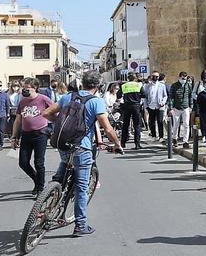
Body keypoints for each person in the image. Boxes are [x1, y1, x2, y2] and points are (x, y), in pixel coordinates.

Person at [42, 70, 123, 236]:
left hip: (62, 144)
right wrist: (117, 144)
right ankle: (80, 225)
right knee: (81, 187)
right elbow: (107, 128)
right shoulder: (96, 102)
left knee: (63, 168)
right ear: (98, 86)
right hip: (82, 147)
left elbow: (46, 113)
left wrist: (60, 123)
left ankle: (51, 196)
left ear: (83, 83)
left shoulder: (67, 97)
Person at [10, 78, 58, 196]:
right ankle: (37, 180)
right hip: (26, 134)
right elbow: (18, 120)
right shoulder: (22, 102)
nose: (24, 90)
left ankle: (40, 188)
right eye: (23, 87)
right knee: (23, 162)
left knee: (39, 163)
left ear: (35, 87)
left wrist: (51, 125)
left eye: (27, 87)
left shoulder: (43, 99)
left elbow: (56, 111)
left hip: (40, 133)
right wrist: (14, 136)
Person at [119, 73, 145, 149]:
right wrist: (137, 96)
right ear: (135, 78)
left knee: (125, 125)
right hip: (136, 106)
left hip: (127, 106)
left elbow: (118, 95)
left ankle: (123, 143)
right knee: (137, 125)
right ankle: (137, 144)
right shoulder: (138, 85)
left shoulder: (124, 86)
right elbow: (144, 95)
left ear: (128, 78)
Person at [169, 72, 194, 148]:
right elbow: (171, 97)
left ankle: (185, 141)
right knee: (176, 125)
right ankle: (174, 138)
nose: (184, 80)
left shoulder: (188, 85)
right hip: (176, 108)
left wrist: (191, 106)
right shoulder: (174, 86)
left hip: (186, 107)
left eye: (185, 79)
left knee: (186, 124)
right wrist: (171, 108)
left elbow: (190, 96)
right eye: (183, 78)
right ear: (179, 77)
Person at [144, 74, 168, 140]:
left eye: (156, 76)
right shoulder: (147, 86)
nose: (155, 77)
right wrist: (146, 106)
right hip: (151, 106)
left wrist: (163, 102)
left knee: (160, 121)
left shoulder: (162, 85)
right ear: (151, 77)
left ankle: (161, 136)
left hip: (160, 106)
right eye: (153, 76)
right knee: (152, 121)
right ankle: (153, 135)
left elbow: (165, 95)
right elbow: (145, 97)